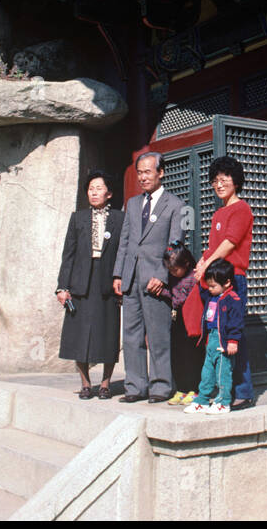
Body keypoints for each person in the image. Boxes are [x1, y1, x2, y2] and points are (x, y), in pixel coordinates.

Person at [111, 151, 183, 403]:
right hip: (131, 279)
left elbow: (176, 245)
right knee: (130, 336)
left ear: (160, 173)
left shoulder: (176, 205)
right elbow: (125, 241)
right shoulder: (132, 204)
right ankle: (135, 386)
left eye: (147, 172)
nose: (142, 177)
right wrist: (118, 273)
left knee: (158, 335)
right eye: (139, 172)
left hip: (155, 282)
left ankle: (161, 386)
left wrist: (163, 276)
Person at [193, 155, 256, 409]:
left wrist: (207, 264)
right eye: (215, 180)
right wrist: (201, 263)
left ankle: (243, 392)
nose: (219, 184)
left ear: (236, 182)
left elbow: (230, 243)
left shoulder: (242, 209)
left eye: (225, 179)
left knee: (233, 336)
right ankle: (221, 391)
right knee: (216, 338)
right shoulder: (219, 212)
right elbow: (212, 248)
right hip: (214, 283)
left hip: (233, 281)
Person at [56, 170, 124, 399]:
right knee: (79, 334)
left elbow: (124, 251)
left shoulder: (119, 218)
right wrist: (62, 287)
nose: (94, 192)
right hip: (81, 282)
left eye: (99, 188)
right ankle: (85, 383)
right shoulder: (78, 218)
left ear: (109, 193)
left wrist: (122, 277)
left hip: (108, 281)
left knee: (108, 332)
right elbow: (69, 254)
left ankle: (105, 383)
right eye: (90, 189)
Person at [184, 259, 243, 415]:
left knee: (222, 374)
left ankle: (223, 402)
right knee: (207, 373)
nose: (209, 289)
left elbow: (236, 323)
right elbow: (202, 287)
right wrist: (201, 271)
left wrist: (232, 341)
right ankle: (202, 401)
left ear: (227, 282)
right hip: (211, 340)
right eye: (209, 285)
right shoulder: (211, 296)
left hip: (223, 342)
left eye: (213, 286)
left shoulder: (233, 300)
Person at [158, 243, 202, 405]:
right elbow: (173, 296)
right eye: (170, 270)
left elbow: (181, 298)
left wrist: (169, 295)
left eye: (175, 270)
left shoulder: (193, 277)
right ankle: (181, 389)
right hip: (178, 319)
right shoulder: (173, 278)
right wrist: (162, 292)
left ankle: (194, 389)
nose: (173, 273)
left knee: (192, 355)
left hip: (191, 319)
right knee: (177, 355)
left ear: (186, 264)